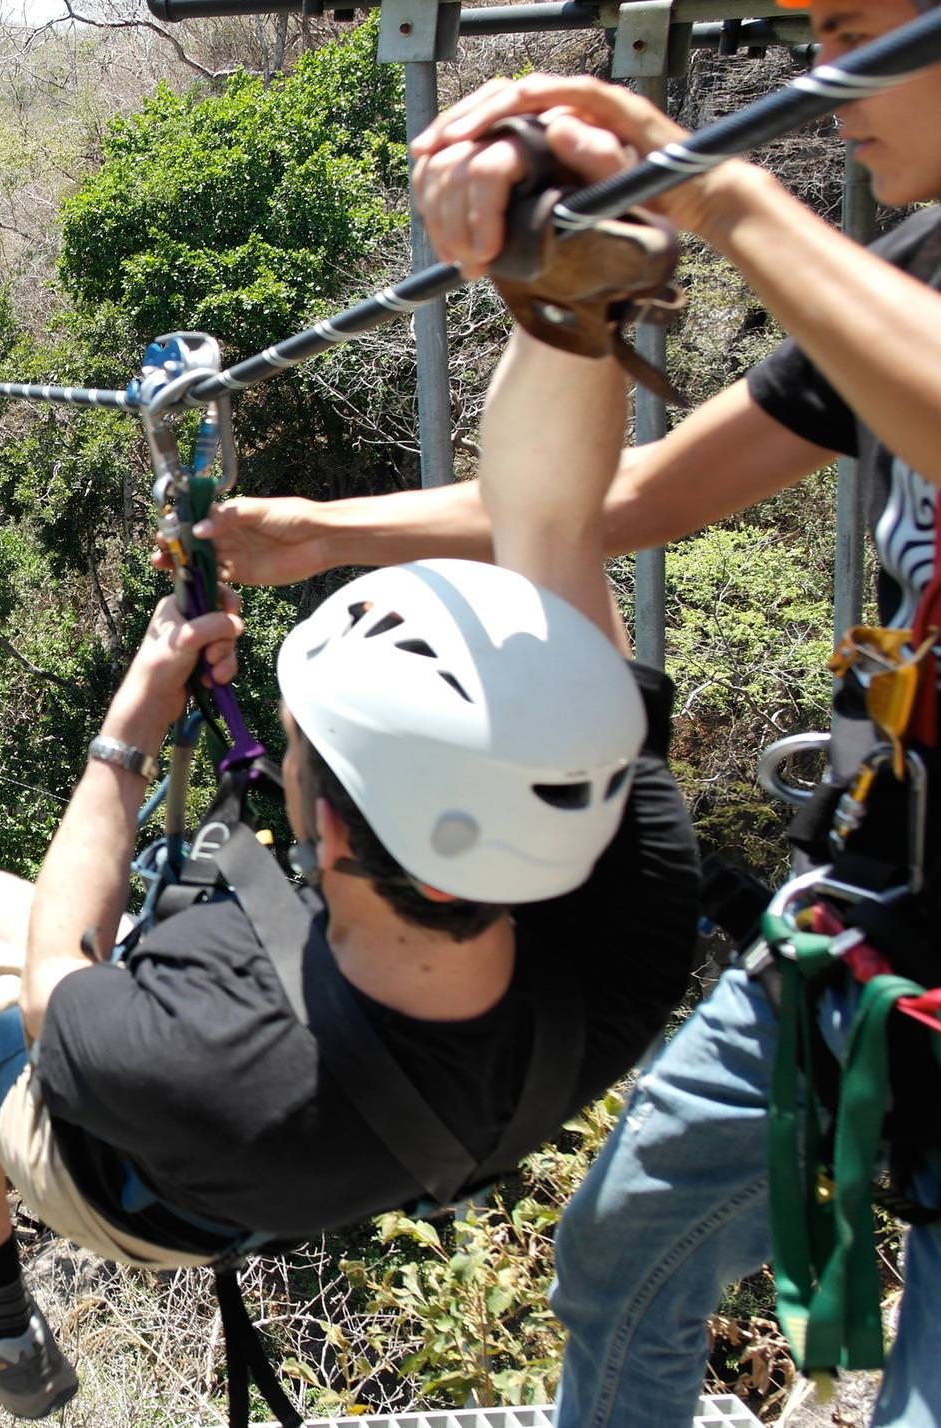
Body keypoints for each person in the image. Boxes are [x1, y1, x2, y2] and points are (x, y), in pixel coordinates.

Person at [193, 3, 941, 1421]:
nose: (815, 76)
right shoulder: (911, 271)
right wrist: (324, 528)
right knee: (625, 1248)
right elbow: (634, 499)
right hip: (874, 921)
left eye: (848, 28)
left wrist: (720, 195)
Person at [0, 321, 702, 1417]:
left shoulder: (198, 1051)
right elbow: (550, 512)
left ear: (323, 840)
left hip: (133, 1180)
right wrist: (563, 304)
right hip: (368, 1092)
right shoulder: (628, 925)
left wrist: (131, 726)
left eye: (288, 748)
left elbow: (54, 983)